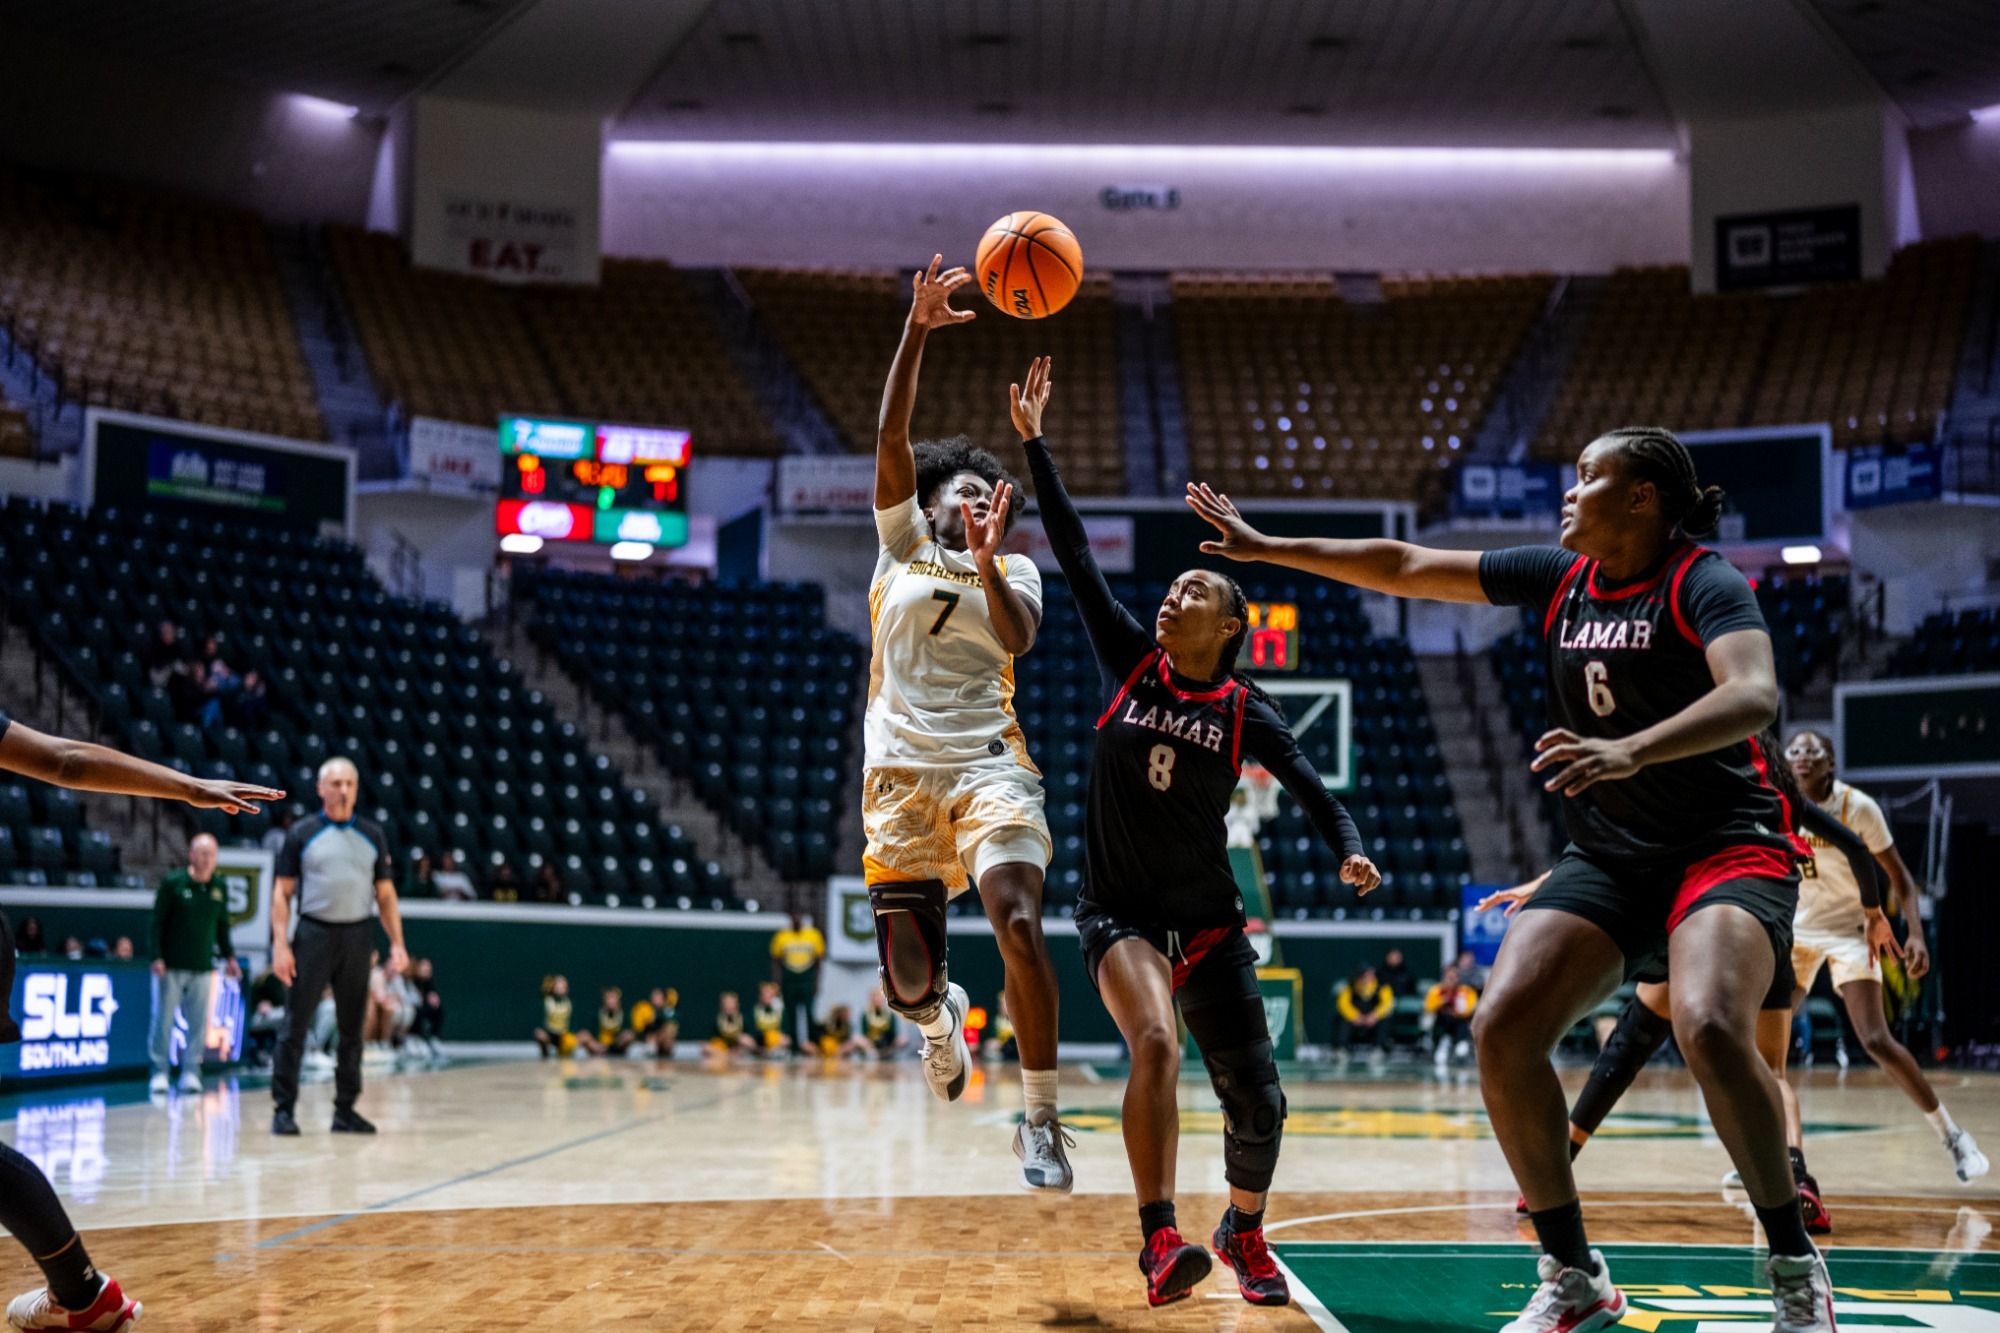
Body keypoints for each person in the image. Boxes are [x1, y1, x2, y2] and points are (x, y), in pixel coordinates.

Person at [1189, 425, 1837, 1330]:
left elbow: (1755, 695)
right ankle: (1575, 1274)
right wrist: (1269, 548)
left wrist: (1630, 750)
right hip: (1612, 855)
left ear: (1643, 496)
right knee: (1501, 1028)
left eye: (1587, 477)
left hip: (1726, 848)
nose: (1568, 494)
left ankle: (1792, 1262)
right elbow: (1407, 564)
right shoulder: (1560, 577)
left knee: (1710, 1024)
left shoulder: (1702, 581)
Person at [1019, 357, 1378, 1306]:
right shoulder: (1131, 664)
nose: (1172, 598)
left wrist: (1347, 843)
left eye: (1193, 594)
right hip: (1120, 915)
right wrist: (1034, 447)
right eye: (1172, 590)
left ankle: (1243, 1229)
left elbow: (1309, 787)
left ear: (1229, 628)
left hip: (1211, 924)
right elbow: (1076, 553)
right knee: (1156, 1047)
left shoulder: (1245, 708)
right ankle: (1158, 1238)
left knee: (1258, 1100)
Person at [1481, 723, 1898, 1234]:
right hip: (1762, 940)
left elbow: (1632, 843)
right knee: (1770, 1072)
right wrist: (1876, 912)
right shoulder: (1771, 794)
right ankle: (1798, 1179)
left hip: (1702, 931)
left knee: (1627, 1047)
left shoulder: (1705, 784)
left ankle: (1559, 1160)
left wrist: (1555, 880)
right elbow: (1857, 850)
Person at [862, 258, 1067, 1192]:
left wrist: (989, 558)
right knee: (904, 983)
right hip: (900, 777)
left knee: (1018, 918)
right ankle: (938, 1019)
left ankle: (1039, 1122)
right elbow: (891, 432)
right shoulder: (899, 544)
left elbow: (1018, 636)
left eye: (991, 495)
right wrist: (916, 329)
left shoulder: (1016, 572)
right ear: (932, 499)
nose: (977, 500)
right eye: (963, 492)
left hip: (990, 766)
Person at [0, 700, 279, 1330]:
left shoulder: (206, 891)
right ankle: (81, 1294)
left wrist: (190, 788)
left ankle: (81, 1292)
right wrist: (189, 787)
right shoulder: (175, 888)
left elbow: (67, 759)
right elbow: (66, 760)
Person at [1782, 731, 1985, 1192]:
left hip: (1855, 931)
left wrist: (1915, 933)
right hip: (1797, 934)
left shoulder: (1859, 809)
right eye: (1794, 751)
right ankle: (1775, 1158)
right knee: (1761, 1051)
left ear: (1830, 763)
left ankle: (1953, 1137)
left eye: (1813, 751)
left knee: (1875, 1038)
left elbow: (1902, 881)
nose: (1802, 758)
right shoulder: (1779, 806)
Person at [269, 757, 406, 1138]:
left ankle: (345, 1110)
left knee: (352, 1028)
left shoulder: (373, 834)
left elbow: (386, 895)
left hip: (357, 935)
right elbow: (281, 893)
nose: (343, 790)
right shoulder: (302, 832)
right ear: (321, 788)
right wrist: (281, 944)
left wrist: (397, 943)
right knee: (295, 1023)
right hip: (313, 933)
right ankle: (284, 1109)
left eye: (349, 783)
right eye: (336, 784)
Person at [148, 832, 239, 1096]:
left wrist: (230, 957)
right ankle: (160, 1072)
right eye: (202, 853)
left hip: (203, 967)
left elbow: (222, 928)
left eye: (211, 854)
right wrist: (156, 956)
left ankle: (191, 1072)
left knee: (199, 1024)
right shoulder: (174, 883)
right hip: (171, 966)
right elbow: (156, 923)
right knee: (163, 1022)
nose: (207, 859)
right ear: (191, 854)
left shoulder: (219, 887)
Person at [769, 912, 825, 1055]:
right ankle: (793, 1048)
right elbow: (776, 961)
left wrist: (817, 982)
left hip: (806, 978)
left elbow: (818, 962)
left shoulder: (813, 935)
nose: (796, 919)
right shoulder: (782, 936)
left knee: (809, 1013)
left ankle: (812, 1046)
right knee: (790, 1014)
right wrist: (777, 983)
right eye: (794, 916)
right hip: (789, 979)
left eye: (799, 916)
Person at [1425, 964, 1478, 1066]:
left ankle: (1461, 1043)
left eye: (1454, 977)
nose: (1452, 980)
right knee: (1443, 1018)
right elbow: (1428, 1007)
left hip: (1459, 1023)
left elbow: (1469, 1009)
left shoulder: (1465, 991)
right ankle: (1443, 1042)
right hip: (1440, 1023)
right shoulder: (1436, 990)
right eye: (1449, 977)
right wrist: (1442, 1001)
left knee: (1458, 1022)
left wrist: (1456, 1008)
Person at [1335, 967, 1394, 1058]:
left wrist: (1375, 1015)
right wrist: (1355, 1016)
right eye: (1364, 975)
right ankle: (1341, 1049)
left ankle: (1379, 1048)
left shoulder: (1382, 986)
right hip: (1356, 1020)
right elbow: (1343, 1004)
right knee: (1343, 1020)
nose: (1367, 977)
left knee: (1385, 1020)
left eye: (1369, 974)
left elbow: (1387, 1004)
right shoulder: (1350, 986)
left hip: (1373, 1020)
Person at [535, 975, 576, 1058]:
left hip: (564, 1034)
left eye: (563, 986)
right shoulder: (547, 1001)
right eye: (558, 986)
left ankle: (565, 1054)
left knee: (570, 1040)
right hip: (551, 1033)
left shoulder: (569, 1002)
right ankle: (545, 1055)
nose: (561, 988)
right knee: (539, 1035)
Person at [630, 987, 677, 1058]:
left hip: (663, 1043)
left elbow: (670, 1024)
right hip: (646, 1039)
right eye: (654, 996)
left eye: (658, 997)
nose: (655, 999)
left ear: (664, 1000)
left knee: (667, 1033)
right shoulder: (644, 1008)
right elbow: (639, 1028)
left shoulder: (668, 1011)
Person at [860, 990, 901, 1059]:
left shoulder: (889, 1013)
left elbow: (893, 1030)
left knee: (902, 1040)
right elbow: (864, 1032)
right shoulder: (866, 1013)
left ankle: (886, 1052)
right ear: (871, 999)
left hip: (886, 1041)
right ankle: (875, 1053)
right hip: (872, 1041)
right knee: (859, 1040)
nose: (877, 1000)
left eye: (879, 998)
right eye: (875, 998)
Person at [751, 981, 787, 1056]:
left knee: (784, 1040)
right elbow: (752, 1030)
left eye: (770, 995)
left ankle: (769, 1052)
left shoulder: (780, 1011)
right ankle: (763, 1052)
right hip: (760, 1041)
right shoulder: (755, 1010)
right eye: (764, 994)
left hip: (775, 1042)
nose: (767, 996)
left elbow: (785, 1030)